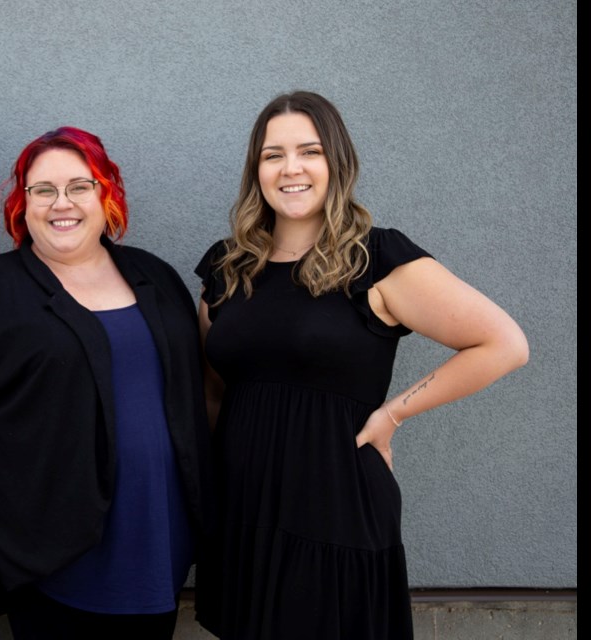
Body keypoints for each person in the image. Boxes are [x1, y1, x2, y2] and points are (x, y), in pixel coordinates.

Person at [193, 91, 529, 639]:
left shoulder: (377, 259)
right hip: (243, 508)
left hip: (335, 504)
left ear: (337, 163)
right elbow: (212, 390)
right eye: (273, 154)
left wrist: (393, 414)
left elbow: (504, 344)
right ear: (257, 170)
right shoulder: (227, 268)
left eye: (310, 151)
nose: (291, 168)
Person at [0, 126, 213, 640]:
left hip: (157, 543)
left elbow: (192, 400)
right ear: (22, 203)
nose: (62, 203)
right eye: (43, 189)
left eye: (81, 186)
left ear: (106, 195)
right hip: (51, 557)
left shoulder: (156, 278)